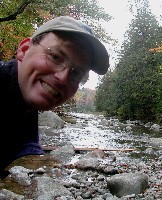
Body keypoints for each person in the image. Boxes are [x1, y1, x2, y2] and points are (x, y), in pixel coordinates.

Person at [0, 16, 109, 179]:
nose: (63, 78)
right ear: (23, 50)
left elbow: (26, 143)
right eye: (55, 57)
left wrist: (36, 161)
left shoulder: (24, 101)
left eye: (76, 73)